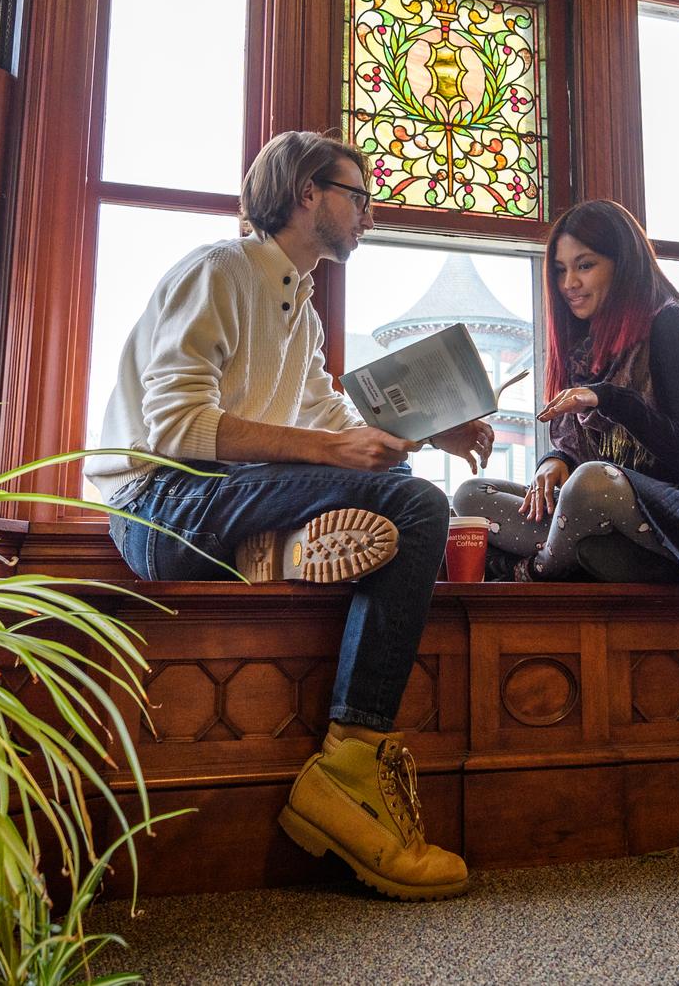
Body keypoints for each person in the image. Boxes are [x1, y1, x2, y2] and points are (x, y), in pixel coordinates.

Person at [89, 131, 492, 901]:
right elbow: (174, 428)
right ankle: (346, 766)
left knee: (403, 482)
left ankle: (278, 547)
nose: (369, 215)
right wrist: (331, 455)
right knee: (410, 503)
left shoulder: (301, 314)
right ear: (309, 192)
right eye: (360, 195)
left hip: (230, 498)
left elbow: (335, 423)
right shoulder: (219, 271)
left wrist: (431, 427)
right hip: (160, 506)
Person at [451, 200, 679, 587]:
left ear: (623, 264)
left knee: (591, 484)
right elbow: (576, 449)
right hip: (612, 519)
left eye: (585, 265)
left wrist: (609, 398)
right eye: (561, 270)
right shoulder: (581, 345)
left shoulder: (673, 325)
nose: (569, 284)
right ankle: (585, 558)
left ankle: (534, 572)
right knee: (471, 497)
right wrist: (552, 462)